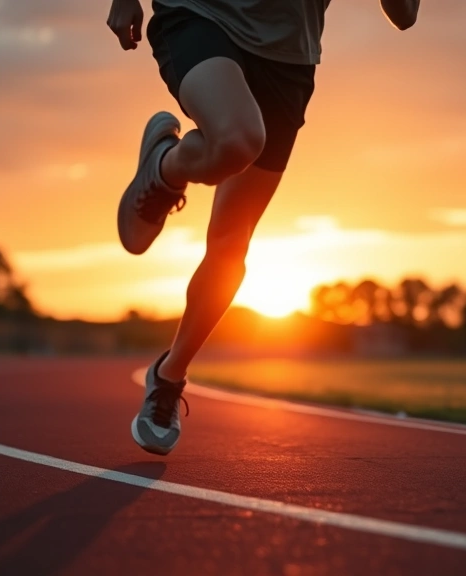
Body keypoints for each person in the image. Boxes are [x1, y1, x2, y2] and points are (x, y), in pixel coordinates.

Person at [107, 0, 421, 455]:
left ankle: (169, 376)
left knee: (231, 247)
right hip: (204, 14)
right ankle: (166, 167)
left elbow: (405, 14)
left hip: (289, 56)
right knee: (239, 139)